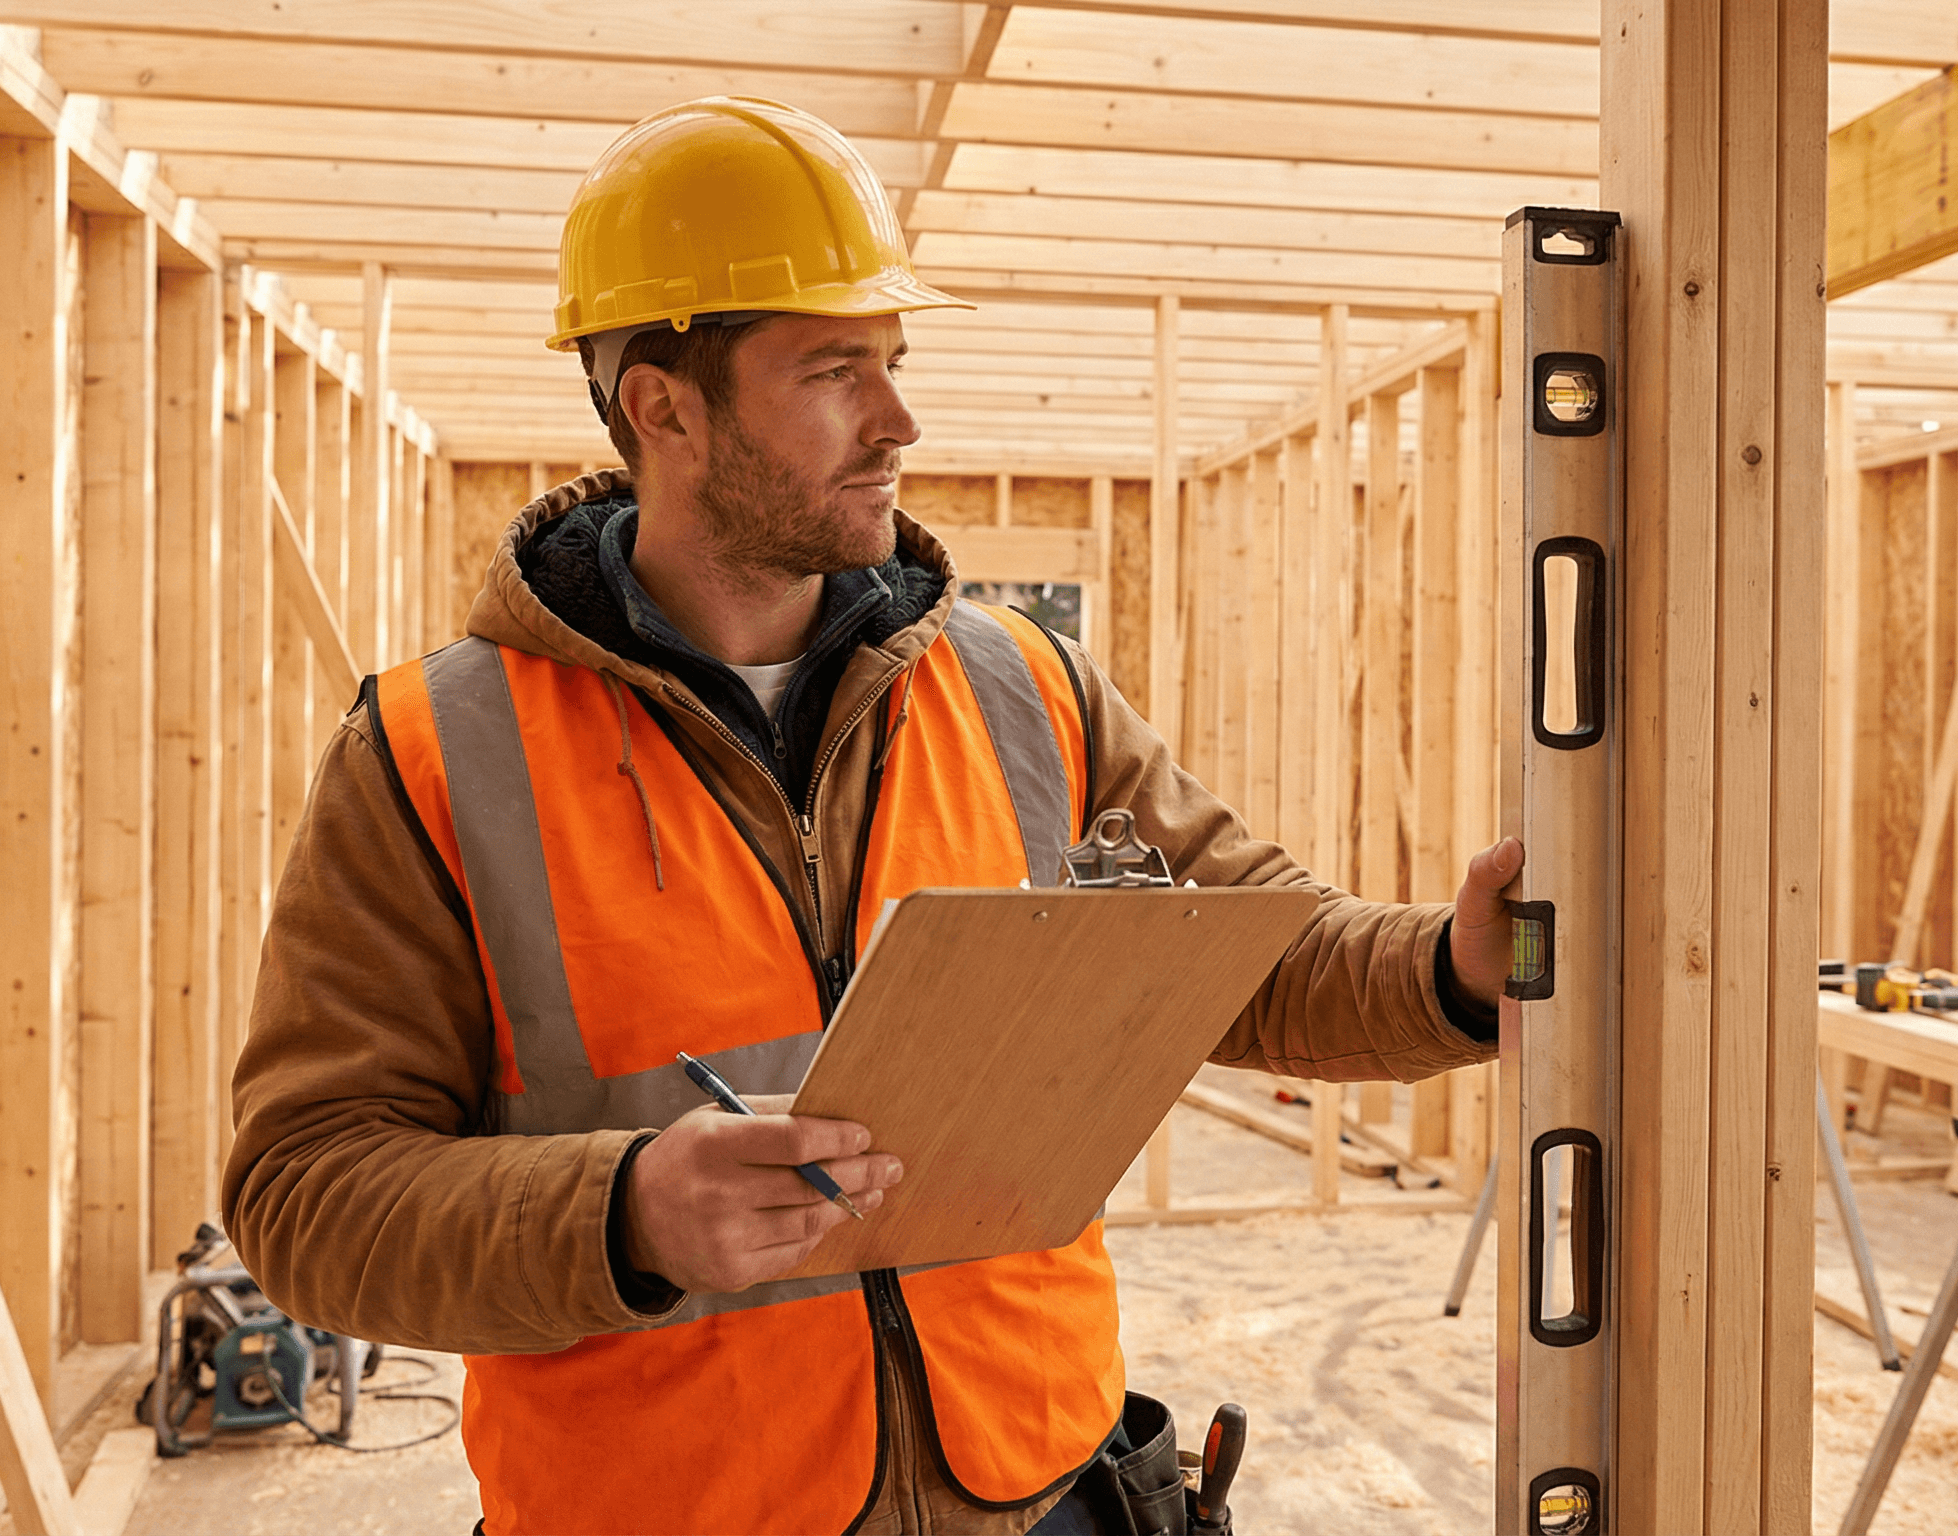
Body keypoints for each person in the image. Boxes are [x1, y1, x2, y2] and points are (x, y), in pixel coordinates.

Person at [223, 95, 1524, 1536]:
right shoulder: (434, 753)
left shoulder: (1025, 687)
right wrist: (623, 1212)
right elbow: (304, 1194)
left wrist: (1451, 969)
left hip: (1048, 1495)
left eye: (893, 364)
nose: (899, 421)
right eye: (835, 370)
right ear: (663, 407)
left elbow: (1254, 949)